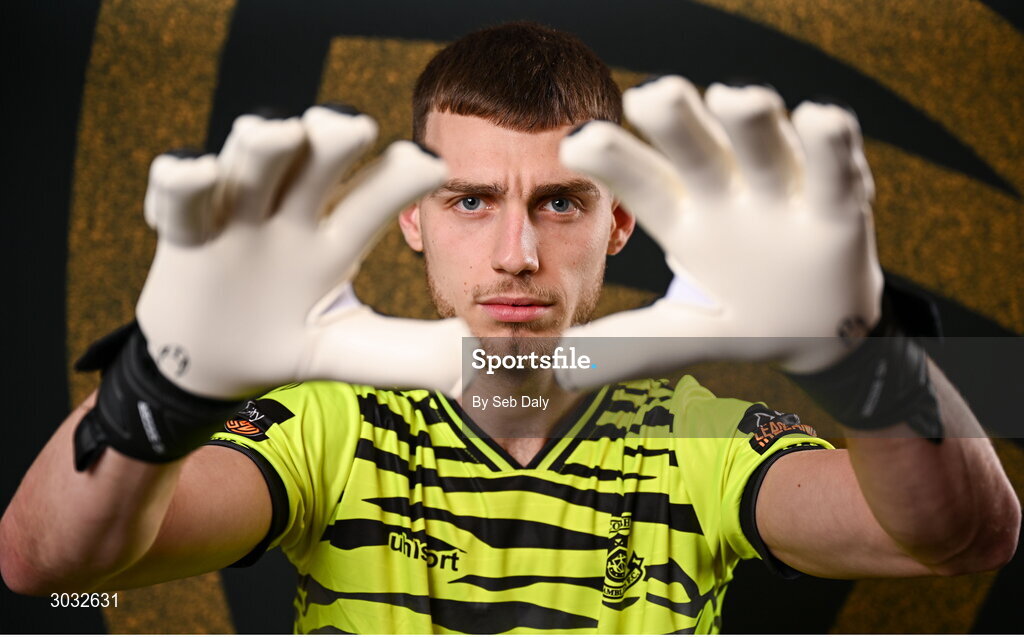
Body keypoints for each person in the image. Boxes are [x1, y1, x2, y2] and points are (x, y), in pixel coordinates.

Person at [0, 22, 1019, 634]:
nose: (517, 253)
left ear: (620, 222)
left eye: (561, 202)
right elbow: (44, 564)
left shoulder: (698, 439)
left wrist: (866, 356)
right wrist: (159, 387)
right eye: (471, 200)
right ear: (414, 217)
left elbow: (964, 537)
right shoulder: (327, 428)